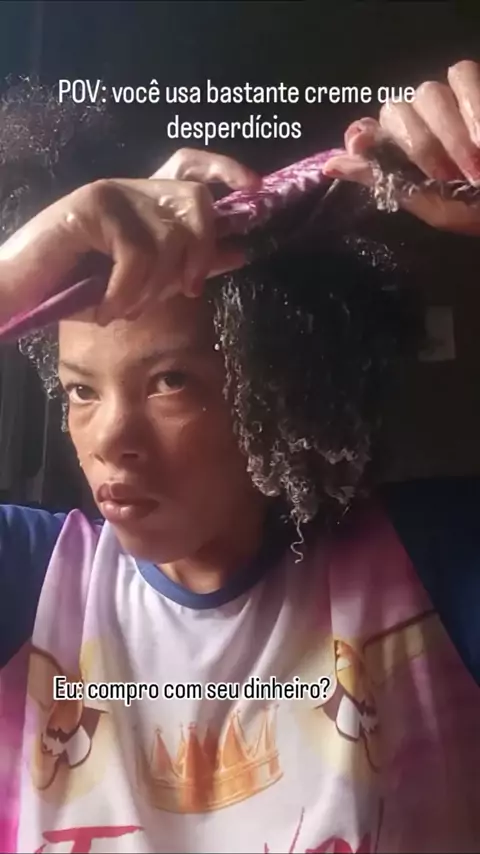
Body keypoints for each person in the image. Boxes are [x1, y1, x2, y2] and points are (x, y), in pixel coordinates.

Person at [0, 59, 479, 854]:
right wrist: (21, 268)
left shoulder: (429, 574)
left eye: (170, 382)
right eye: (81, 391)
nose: (110, 437)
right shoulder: (29, 588)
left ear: (277, 392)